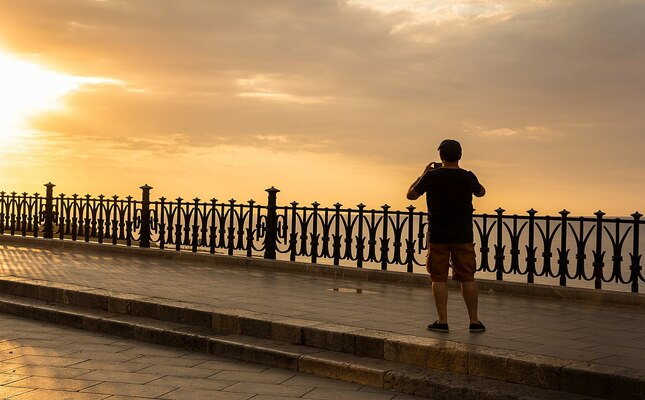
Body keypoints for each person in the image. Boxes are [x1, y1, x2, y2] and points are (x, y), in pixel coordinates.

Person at [406, 139, 486, 333]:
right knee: (468, 277)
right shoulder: (467, 176)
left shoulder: (432, 176)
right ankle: (474, 321)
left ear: (441, 156)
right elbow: (481, 192)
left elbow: (411, 195)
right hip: (463, 234)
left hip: (438, 234)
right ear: (460, 155)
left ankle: (442, 322)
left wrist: (423, 174)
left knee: (438, 277)